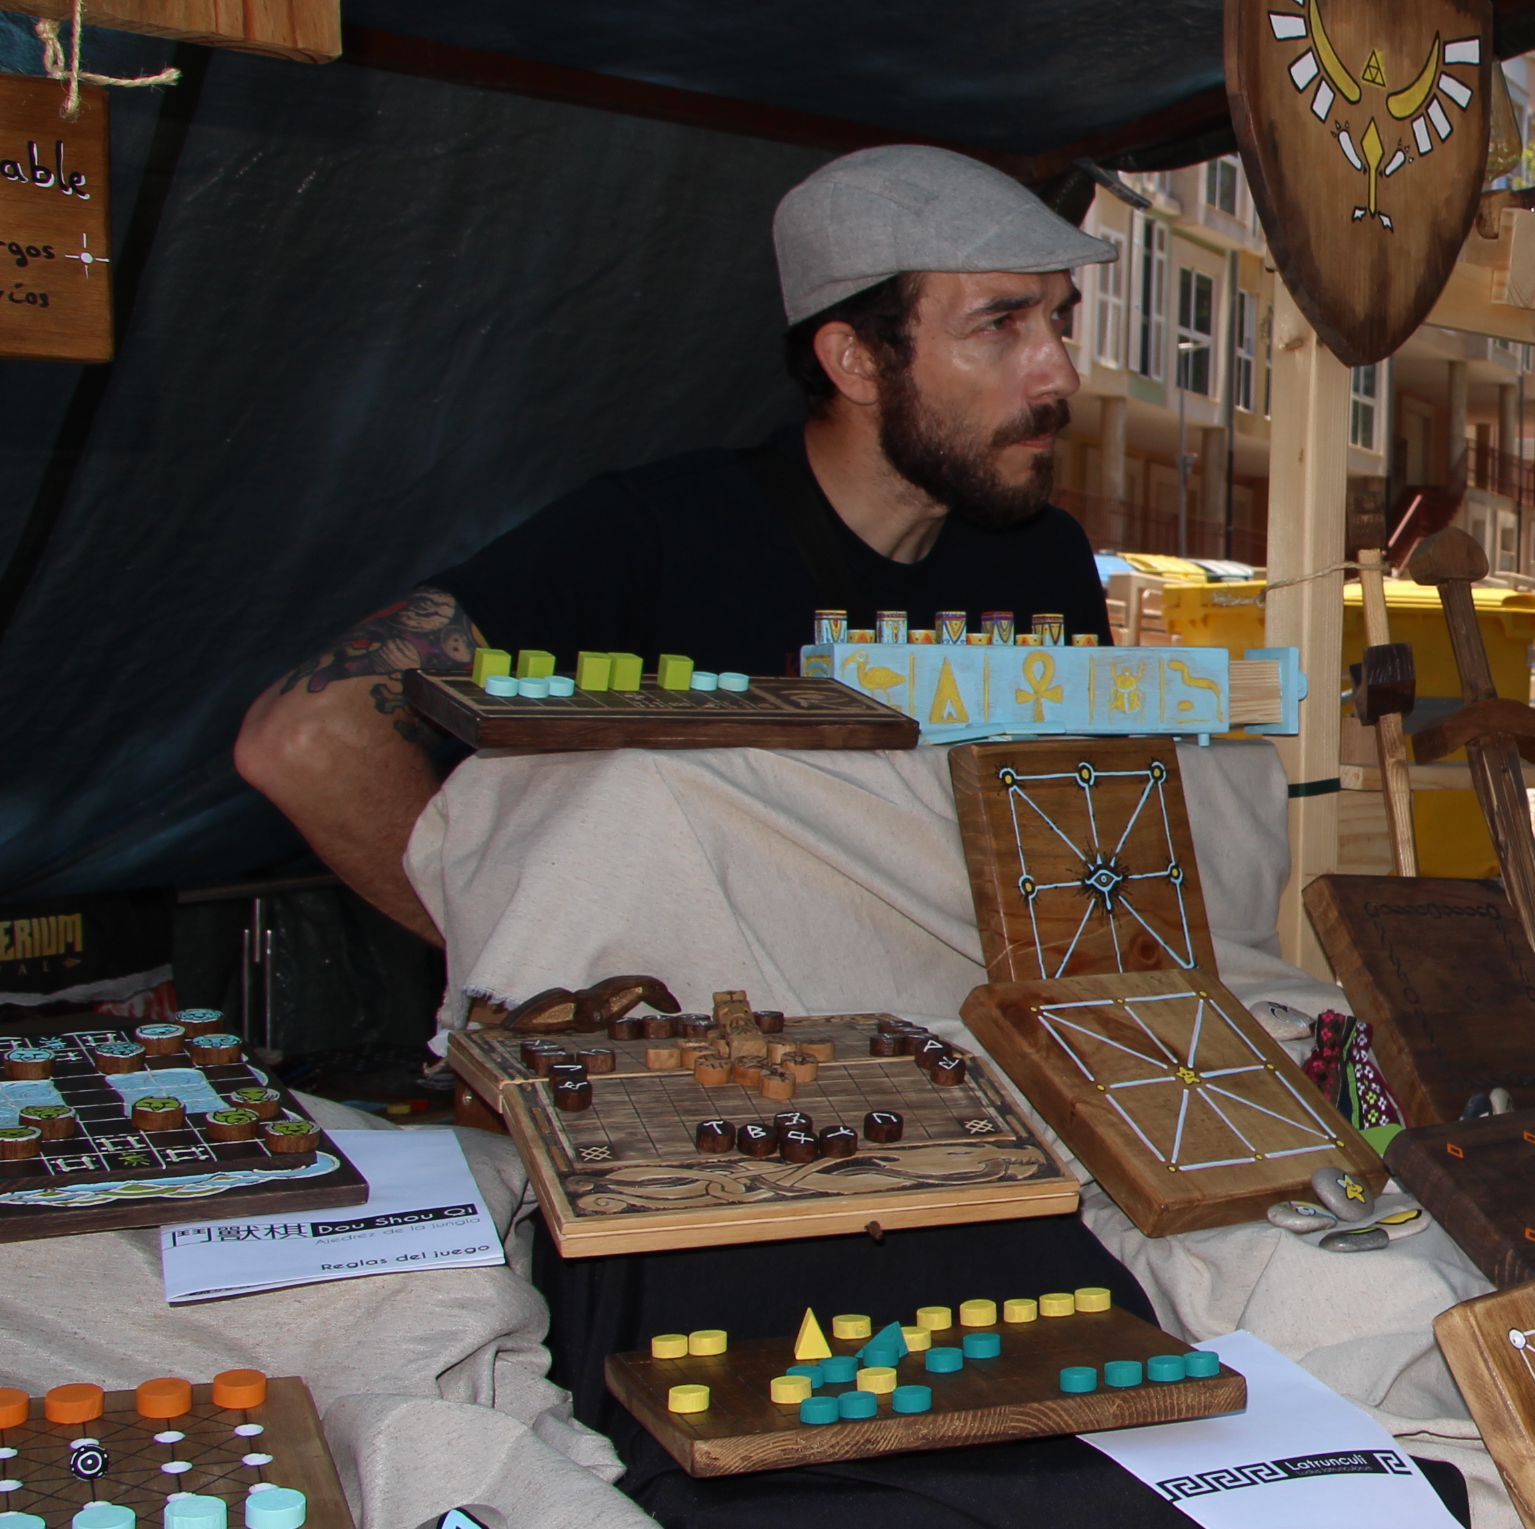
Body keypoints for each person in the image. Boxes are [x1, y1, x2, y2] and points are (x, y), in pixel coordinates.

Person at [233, 146, 1117, 940]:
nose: (1061, 372)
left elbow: (1093, 832)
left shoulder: (1042, 559)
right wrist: (526, 962)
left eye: (1058, 320)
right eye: (1000, 325)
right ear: (855, 362)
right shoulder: (657, 534)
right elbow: (310, 739)